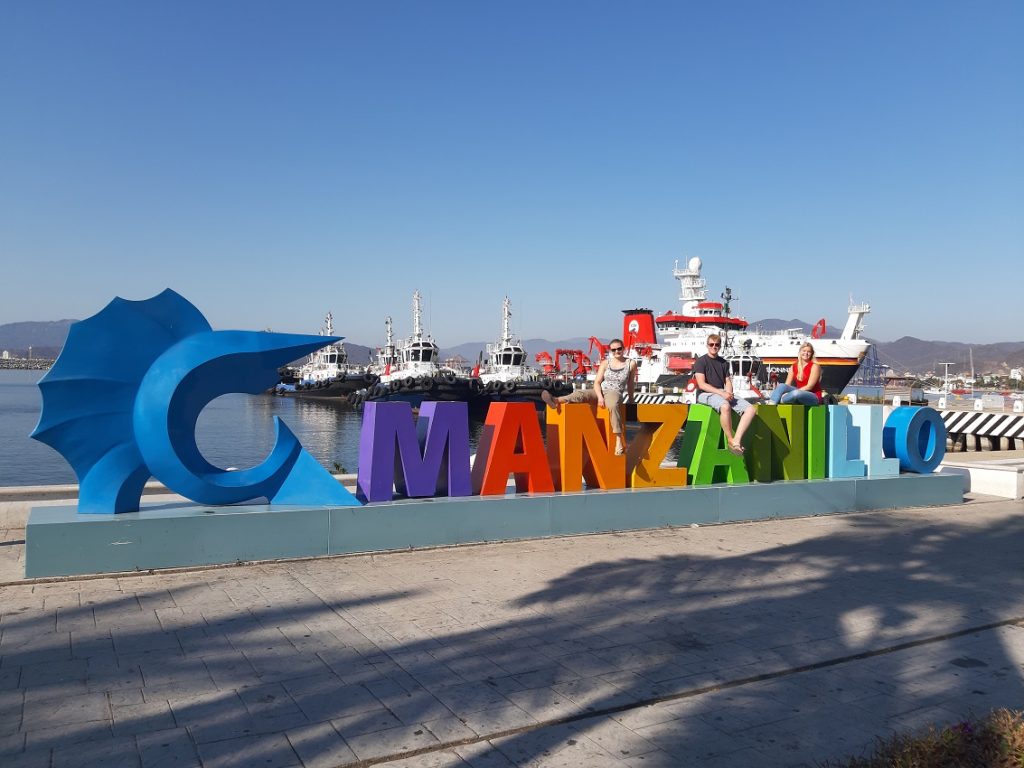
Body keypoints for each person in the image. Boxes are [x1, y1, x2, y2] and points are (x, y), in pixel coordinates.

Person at [541, 338, 636, 455]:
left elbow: (631, 383)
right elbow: (597, 382)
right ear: (611, 351)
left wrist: (631, 400)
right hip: (600, 390)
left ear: (623, 349)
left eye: (619, 349)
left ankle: (618, 440)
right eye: (614, 350)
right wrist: (600, 397)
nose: (617, 351)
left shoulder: (631, 363)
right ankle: (556, 400)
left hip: (615, 392)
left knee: (612, 406)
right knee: (580, 394)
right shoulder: (606, 363)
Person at [692, 333, 757, 455]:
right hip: (705, 394)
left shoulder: (724, 363)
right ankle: (730, 439)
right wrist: (722, 393)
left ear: (720, 346)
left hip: (721, 393)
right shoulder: (701, 362)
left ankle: (737, 439)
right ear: (707, 345)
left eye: (717, 345)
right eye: (711, 344)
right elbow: (701, 384)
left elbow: (727, 380)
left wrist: (729, 392)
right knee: (725, 406)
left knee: (751, 410)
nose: (714, 347)